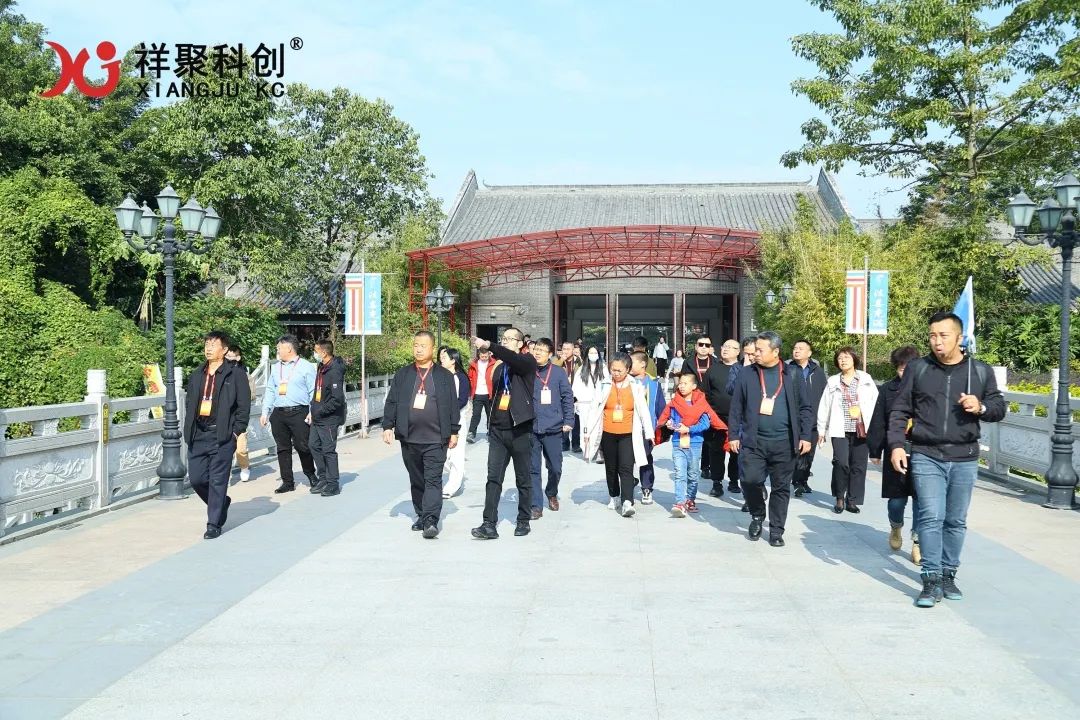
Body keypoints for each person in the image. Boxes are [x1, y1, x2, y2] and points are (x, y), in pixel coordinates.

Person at [887, 312, 1005, 608]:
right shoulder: (918, 369)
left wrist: (980, 406)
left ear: (959, 338)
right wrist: (896, 445)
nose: (937, 341)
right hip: (927, 454)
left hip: (965, 457)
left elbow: (999, 407)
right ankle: (930, 579)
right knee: (930, 516)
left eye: (943, 335)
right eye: (932, 335)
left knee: (955, 520)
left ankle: (948, 574)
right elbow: (900, 409)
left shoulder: (979, 371)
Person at [729, 331, 813, 546]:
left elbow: (805, 407)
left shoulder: (792, 374)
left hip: (785, 442)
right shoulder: (747, 374)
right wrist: (733, 435)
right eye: (755, 349)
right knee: (749, 480)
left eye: (760, 350)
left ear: (775, 352)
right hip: (753, 441)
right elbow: (736, 406)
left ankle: (776, 530)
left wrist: (805, 436)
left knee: (781, 487)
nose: (755, 353)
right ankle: (758, 514)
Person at [381, 331, 461, 539]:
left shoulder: (444, 376)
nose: (418, 349)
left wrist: (454, 431)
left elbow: (453, 405)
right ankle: (421, 514)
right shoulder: (404, 374)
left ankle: (431, 520)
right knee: (417, 479)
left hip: (436, 439)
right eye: (416, 345)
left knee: (432, 479)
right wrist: (388, 425)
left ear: (432, 348)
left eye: (423, 346)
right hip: (409, 438)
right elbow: (392, 400)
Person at [470, 328, 538, 540]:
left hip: (520, 430)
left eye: (510, 339)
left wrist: (489, 345)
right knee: (493, 479)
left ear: (520, 343)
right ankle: (488, 524)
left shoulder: (527, 361)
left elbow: (512, 358)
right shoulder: (499, 367)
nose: (506, 341)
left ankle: (523, 520)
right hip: (498, 431)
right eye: (503, 339)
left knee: (523, 479)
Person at [183, 331, 250, 539]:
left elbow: (244, 406)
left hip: (222, 435)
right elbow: (189, 402)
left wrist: (235, 432)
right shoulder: (197, 374)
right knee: (197, 479)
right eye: (206, 344)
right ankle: (222, 503)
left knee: (218, 481)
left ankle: (213, 524)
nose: (208, 348)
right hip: (198, 433)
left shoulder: (235, 374)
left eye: (213, 345)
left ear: (225, 349)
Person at [867, 345, 922, 563]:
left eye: (908, 367)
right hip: (895, 451)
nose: (904, 371)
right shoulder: (887, 390)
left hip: (922, 451)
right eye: (900, 367)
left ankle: (918, 542)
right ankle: (896, 526)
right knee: (896, 501)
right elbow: (878, 421)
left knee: (921, 500)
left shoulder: (926, 388)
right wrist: (875, 449)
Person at [582, 353, 654, 517]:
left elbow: (643, 411)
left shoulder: (636, 386)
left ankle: (627, 501)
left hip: (628, 434)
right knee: (611, 468)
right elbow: (594, 409)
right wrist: (588, 431)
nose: (615, 373)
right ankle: (614, 496)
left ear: (628, 369)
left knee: (626, 467)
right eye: (613, 370)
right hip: (608, 433)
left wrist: (649, 432)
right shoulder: (604, 385)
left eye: (619, 370)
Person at [817, 346, 879, 514]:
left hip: (861, 429)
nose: (843, 360)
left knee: (858, 465)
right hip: (840, 429)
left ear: (854, 359)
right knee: (841, 463)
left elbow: (875, 403)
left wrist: (876, 428)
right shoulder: (833, 381)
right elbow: (824, 406)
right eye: (840, 358)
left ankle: (852, 500)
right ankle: (839, 497)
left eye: (846, 357)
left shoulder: (865, 379)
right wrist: (821, 430)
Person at [657, 370, 723, 517]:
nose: (681, 386)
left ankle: (690, 499)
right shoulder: (675, 402)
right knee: (680, 474)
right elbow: (670, 418)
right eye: (680, 383)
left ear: (694, 386)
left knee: (693, 474)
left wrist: (689, 429)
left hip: (695, 443)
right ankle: (680, 502)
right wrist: (670, 423)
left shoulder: (701, 403)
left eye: (685, 384)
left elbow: (705, 424)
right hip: (678, 442)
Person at [260, 334, 318, 493]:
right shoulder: (276, 367)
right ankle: (287, 482)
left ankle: (311, 475)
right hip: (279, 414)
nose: (277, 350)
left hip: (299, 412)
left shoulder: (305, 366)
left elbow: (313, 391)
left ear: (289, 348)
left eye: (279, 347)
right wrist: (265, 411)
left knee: (303, 446)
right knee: (282, 448)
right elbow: (270, 390)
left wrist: (312, 411)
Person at [529, 338, 574, 518]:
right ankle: (536, 505)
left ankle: (551, 492)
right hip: (531, 427)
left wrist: (568, 420)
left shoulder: (558, 372)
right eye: (536, 349)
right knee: (533, 469)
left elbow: (567, 397)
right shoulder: (528, 371)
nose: (537, 352)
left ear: (549, 354)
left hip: (553, 427)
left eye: (542, 350)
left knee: (555, 467)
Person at [699, 338, 741, 498]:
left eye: (731, 347)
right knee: (716, 451)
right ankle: (717, 483)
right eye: (724, 346)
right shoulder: (713, 369)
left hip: (737, 418)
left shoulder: (743, 370)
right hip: (716, 418)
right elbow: (705, 393)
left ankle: (734, 481)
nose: (726, 349)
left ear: (738, 351)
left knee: (737, 451)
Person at [308, 339, 347, 497]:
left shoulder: (334, 370)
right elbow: (318, 391)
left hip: (329, 418)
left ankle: (333, 483)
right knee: (313, 445)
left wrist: (321, 411)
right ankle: (323, 477)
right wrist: (313, 409)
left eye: (316, 351)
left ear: (324, 352)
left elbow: (337, 399)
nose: (314, 353)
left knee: (328, 450)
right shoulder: (322, 367)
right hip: (317, 416)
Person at [629, 351, 667, 505]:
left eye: (632, 362)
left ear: (643, 364)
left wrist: (662, 426)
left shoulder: (654, 383)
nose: (629, 365)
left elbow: (661, 406)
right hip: (628, 427)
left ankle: (646, 488)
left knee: (645, 458)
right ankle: (629, 481)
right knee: (627, 459)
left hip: (647, 428)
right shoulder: (626, 381)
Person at [790, 339, 827, 497]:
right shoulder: (788, 369)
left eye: (801, 348)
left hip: (813, 419)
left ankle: (803, 480)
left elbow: (825, 395)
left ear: (809, 353)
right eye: (795, 348)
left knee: (809, 453)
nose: (797, 350)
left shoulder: (817, 372)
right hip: (793, 419)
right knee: (795, 452)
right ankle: (796, 481)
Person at [439, 346, 472, 499]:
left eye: (444, 358)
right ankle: (458, 472)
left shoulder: (461, 378)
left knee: (456, 455)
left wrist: (447, 410)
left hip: (457, 421)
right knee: (444, 455)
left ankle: (452, 486)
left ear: (453, 360)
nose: (441, 360)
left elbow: (462, 400)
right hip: (441, 421)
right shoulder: (441, 376)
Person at [572, 346, 610, 463]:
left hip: (598, 403)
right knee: (585, 427)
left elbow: (607, 384)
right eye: (591, 352)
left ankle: (598, 451)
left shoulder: (603, 368)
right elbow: (576, 387)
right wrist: (577, 401)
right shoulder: (582, 369)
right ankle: (587, 450)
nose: (593, 355)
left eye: (595, 352)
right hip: (584, 403)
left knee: (598, 428)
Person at [224, 345, 255, 482]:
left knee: (241, 448)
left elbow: (251, 395)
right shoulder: (221, 373)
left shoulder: (245, 375)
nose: (228, 358)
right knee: (225, 449)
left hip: (239, 417)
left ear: (238, 357)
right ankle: (225, 473)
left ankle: (244, 467)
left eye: (232, 356)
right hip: (225, 417)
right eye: (227, 355)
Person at [555, 341, 581, 452]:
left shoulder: (579, 361)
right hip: (562, 393)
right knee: (563, 418)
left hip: (575, 393)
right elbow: (553, 369)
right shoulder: (557, 360)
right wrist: (562, 359)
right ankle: (564, 443)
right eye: (564, 349)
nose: (565, 351)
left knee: (576, 420)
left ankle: (576, 444)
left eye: (568, 349)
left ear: (573, 350)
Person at [466, 347, 495, 444]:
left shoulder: (493, 363)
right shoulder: (473, 364)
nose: (484, 358)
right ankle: (471, 433)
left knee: (490, 415)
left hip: (489, 393)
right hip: (477, 392)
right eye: (482, 356)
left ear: (489, 354)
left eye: (486, 356)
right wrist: (471, 388)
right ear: (479, 355)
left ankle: (491, 433)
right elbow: (470, 377)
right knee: (476, 414)